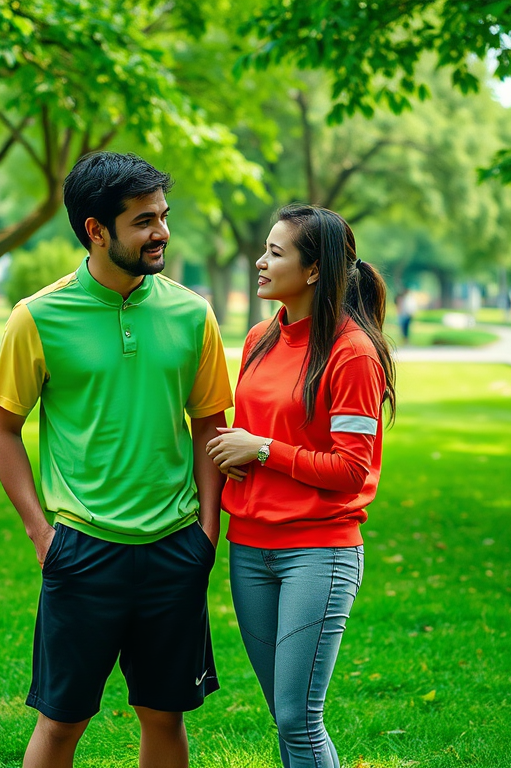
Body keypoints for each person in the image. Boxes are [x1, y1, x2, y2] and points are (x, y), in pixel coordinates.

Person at [0, 152, 233, 768]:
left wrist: (207, 530)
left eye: (163, 216)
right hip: (83, 549)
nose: (162, 233)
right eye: (144, 220)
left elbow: (209, 425)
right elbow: (2, 428)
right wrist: (40, 531)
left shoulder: (192, 312)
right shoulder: (37, 317)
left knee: (164, 715)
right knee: (62, 721)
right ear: (96, 229)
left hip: (174, 547)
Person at [206, 204, 395, 768]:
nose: (261, 262)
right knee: (285, 714)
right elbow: (255, 428)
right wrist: (240, 454)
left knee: (298, 717)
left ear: (313, 271)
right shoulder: (260, 337)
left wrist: (261, 450)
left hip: (318, 551)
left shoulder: (353, 352)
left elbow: (349, 469)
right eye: (264, 249)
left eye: (275, 253)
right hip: (251, 548)